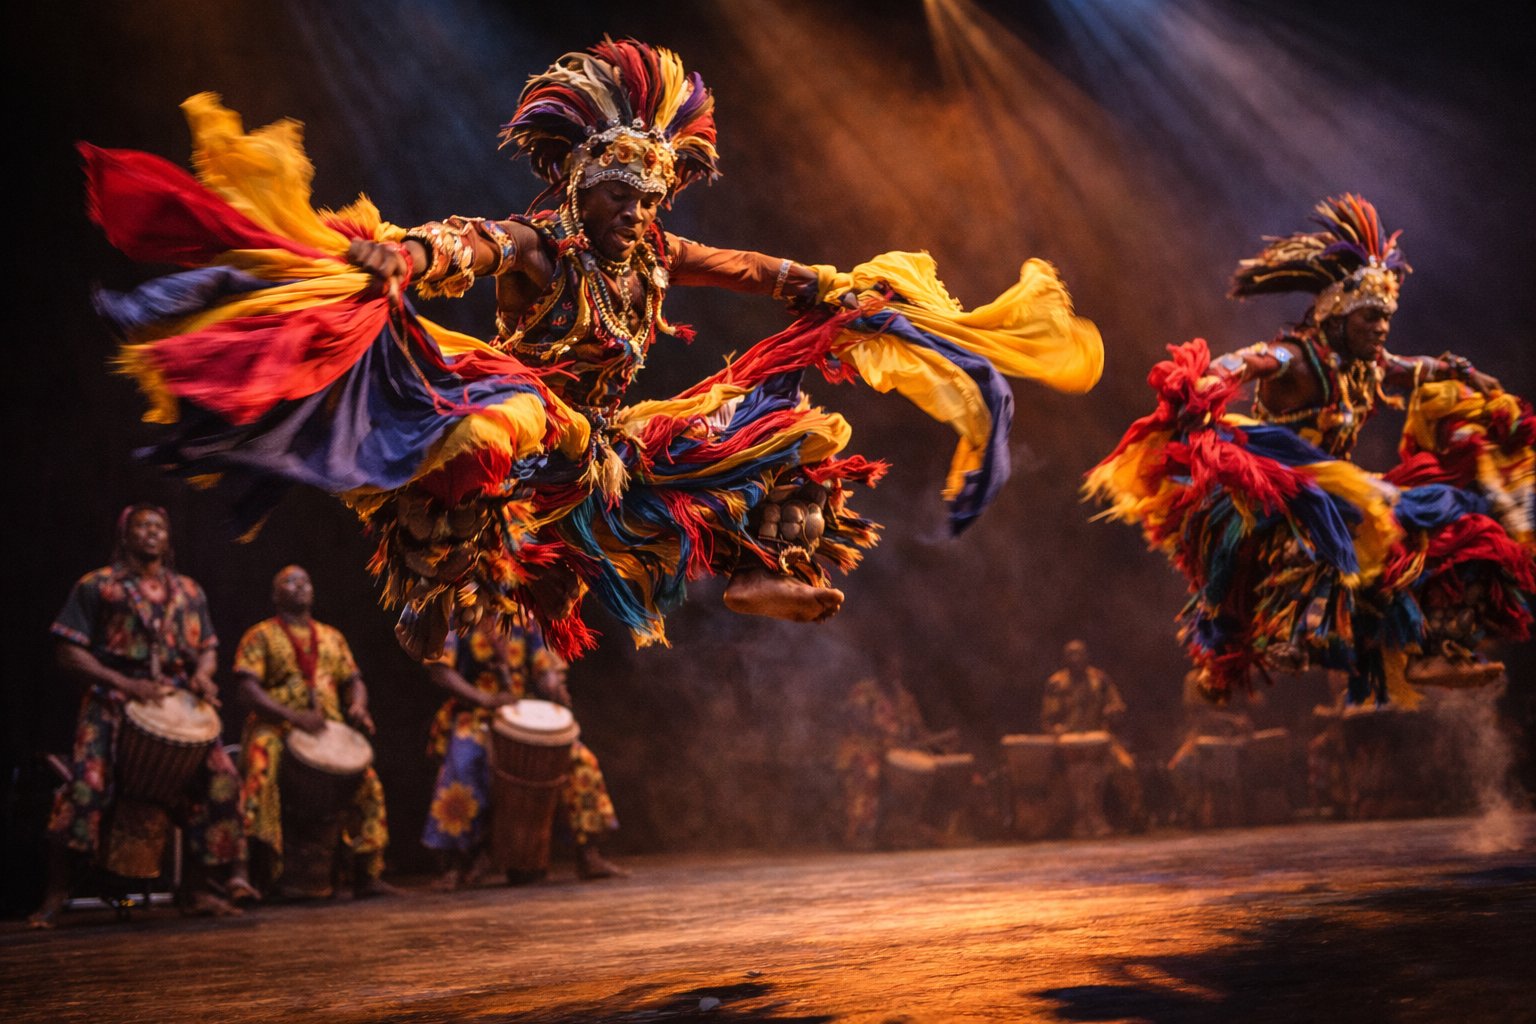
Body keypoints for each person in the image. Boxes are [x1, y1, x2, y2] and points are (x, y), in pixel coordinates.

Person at [83, 39, 1102, 666]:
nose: (639, 215)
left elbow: (744, 266)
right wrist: (408, 250)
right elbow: (470, 241)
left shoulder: (655, 245)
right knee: (494, 428)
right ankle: (449, 565)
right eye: (623, 195)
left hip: (605, 440)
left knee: (772, 428)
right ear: (581, 185)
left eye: (654, 199)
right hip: (531, 414)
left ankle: (749, 569)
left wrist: (824, 286)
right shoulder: (544, 241)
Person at [1089, 195, 1534, 705]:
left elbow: (1417, 368)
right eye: (1371, 318)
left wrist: (1463, 373)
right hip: (1277, 494)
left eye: (1386, 318)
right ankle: (1285, 635)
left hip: (1341, 490)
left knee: (1464, 520)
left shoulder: (1366, 363)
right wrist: (1211, 377)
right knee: (1330, 520)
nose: (1381, 329)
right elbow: (1249, 360)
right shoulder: (1296, 356)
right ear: (1337, 316)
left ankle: (1434, 648)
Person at [30, 505, 251, 927]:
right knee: (87, 789)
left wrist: (204, 676)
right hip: (111, 701)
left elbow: (207, 648)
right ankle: (55, 896)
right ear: (125, 535)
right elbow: (68, 652)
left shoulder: (189, 590)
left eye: (159, 527)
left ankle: (199, 889)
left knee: (222, 780)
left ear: (168, 539)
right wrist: (124, 684)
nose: (152, 533)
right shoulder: (98, 586)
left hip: (176, 700)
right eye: (142, 526)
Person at [234, 565, 397, 899]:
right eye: (290, 581)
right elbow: (248, 690)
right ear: (275, 594)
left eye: (305, 580)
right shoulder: (260, 635)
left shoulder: (331, 636)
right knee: (261, 772)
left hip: (326, 731)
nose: (300, 586)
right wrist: (292, 717)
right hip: (274, 729)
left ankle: (367, 873)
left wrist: (358, 706)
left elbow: (353, 681)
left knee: (368, 782)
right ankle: (250, 871)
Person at [421, 618, 625, 886]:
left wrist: (552, 684)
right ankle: (459, 862)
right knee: (464, 763)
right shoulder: (456, 613)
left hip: (518, 710)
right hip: (474, 712)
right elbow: (440, 671)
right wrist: (486, 699)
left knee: (580, 759)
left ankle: (588, 853)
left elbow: (544, 665)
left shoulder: (523, 615)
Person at [1041, 640, 1143, 830]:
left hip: (1101, 739)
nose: (1076, 659)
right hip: (1068, 744)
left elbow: (1117, 705)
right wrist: (1057, 730)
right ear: (1065, 659)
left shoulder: (1100, 680)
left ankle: (1133, 818)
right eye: (1071, 655)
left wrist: (1114, 712)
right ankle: (1077, 820)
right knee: (1071, 774)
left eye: (1079, 654)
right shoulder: (1056, 683)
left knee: (1126, 767)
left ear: (1086, 657)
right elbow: (1048, 719)